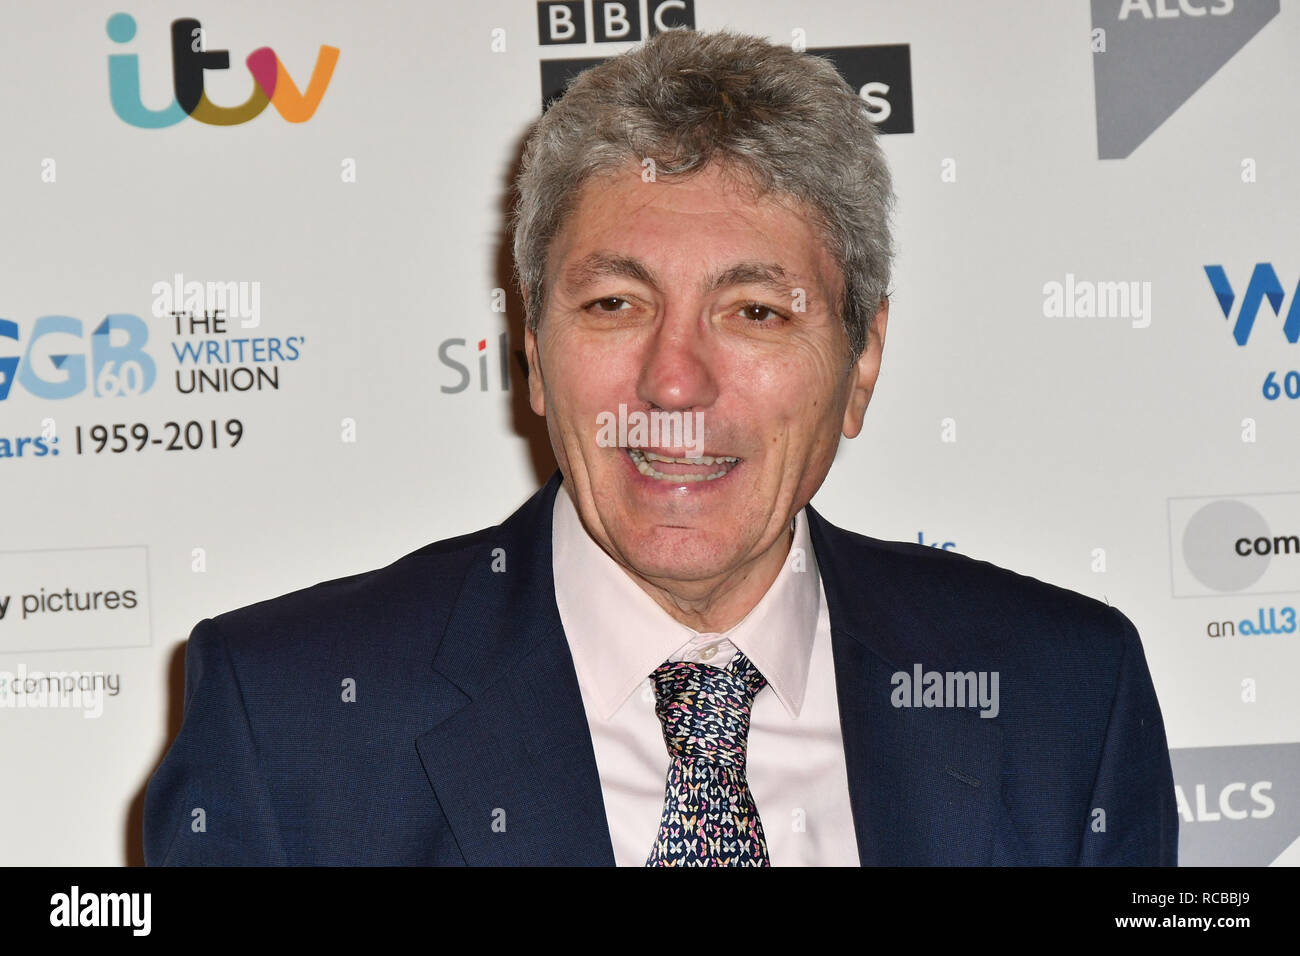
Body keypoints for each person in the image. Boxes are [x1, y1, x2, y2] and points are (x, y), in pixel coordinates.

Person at [144, 28, 1178, 866]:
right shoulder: (288, 720)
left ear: (862, 358)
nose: (673, 381)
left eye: (756, 311)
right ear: (533, 353)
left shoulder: (1060, 694)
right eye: (613, 301)